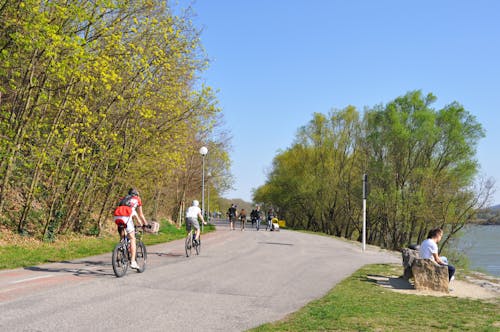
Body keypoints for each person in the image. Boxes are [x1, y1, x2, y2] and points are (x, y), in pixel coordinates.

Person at [113, 188, 149, 269]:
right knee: (132, 238)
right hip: (127, 217)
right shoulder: (137, 199)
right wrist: (145, 224)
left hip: (117, 217)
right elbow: (140, 214)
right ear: (137, 194)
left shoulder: (123, 199)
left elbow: (127, 211)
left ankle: (119, 255)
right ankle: (133, 262)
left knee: (123, 236)